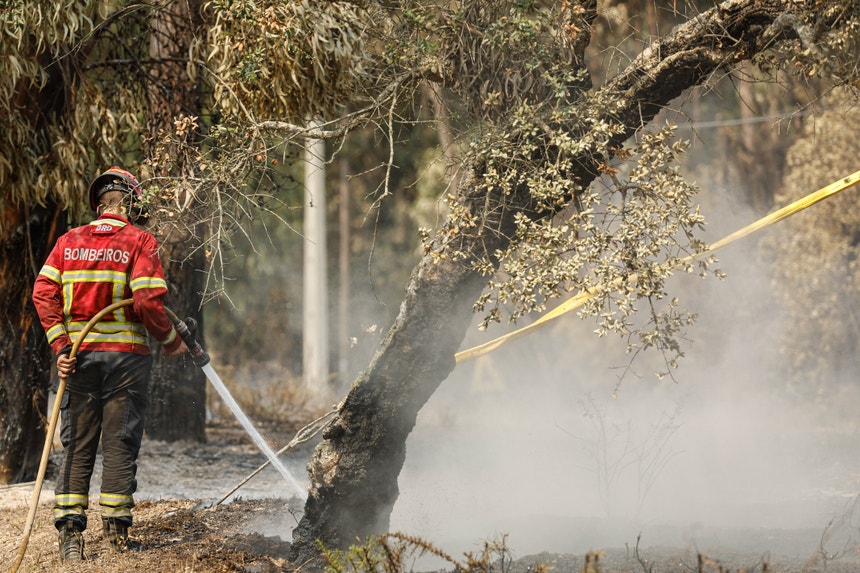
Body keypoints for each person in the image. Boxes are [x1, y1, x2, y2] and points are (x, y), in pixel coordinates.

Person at [32, 166, 189, 563]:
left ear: (99, 204)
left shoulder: (69, 241)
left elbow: (43, 292)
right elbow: (148, 301)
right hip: (126, 361)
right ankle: (116, 537)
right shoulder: (139, 240)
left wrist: (62, 348)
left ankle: (70, 539)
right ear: (131, 204)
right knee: (119, 444)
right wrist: (171, 340)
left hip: (79, 361)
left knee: (78, 446)